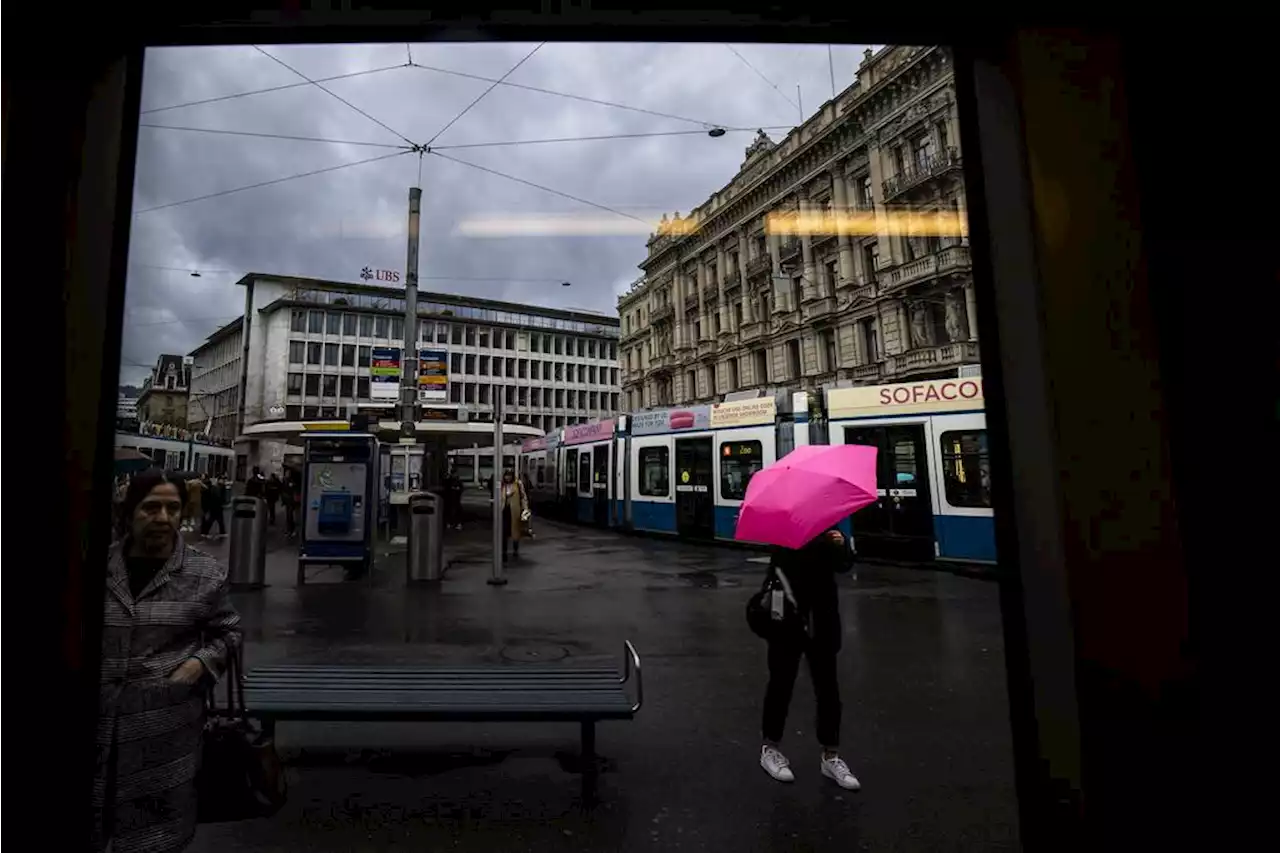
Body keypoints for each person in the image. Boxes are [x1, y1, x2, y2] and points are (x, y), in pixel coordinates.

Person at [95, 468, 243, 852]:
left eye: (172, 508)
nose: (162, 518)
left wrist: (196, 666)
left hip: (165, 729)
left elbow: (228, 632)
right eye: (151, 508)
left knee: (155, 836)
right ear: (129, 513)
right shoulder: (97, 563)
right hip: (98, 724)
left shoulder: (204, 573)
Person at [758, 527, 862, 791]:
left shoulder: (829, 524)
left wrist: (839, 545)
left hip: (822, 622)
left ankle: (831, 756)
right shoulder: (784, 526)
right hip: (788, 617)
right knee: (781, 683)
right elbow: (778, 571)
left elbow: (844, 566)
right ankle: (770, 748)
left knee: (828, 688)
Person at [499, 469, 528, 562]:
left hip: (515, 511)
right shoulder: (502, 485)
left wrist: (525, 509)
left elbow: (523, 497)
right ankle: (504, 552)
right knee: (504, 532)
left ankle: (515, 548)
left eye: (509, 476)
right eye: (506, 476)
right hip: (504, 511)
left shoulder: (518, 484)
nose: (507, 478)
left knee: (515, 531)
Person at [200, 472, 226, 539]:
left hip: (217, 506)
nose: (223, 481)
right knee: (212, 519)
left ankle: (222, 532)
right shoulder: (216, 487)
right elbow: (216, 497)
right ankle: (205, 532)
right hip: (215, 506)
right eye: (222, 479)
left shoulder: (220, 487)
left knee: (218, 520)